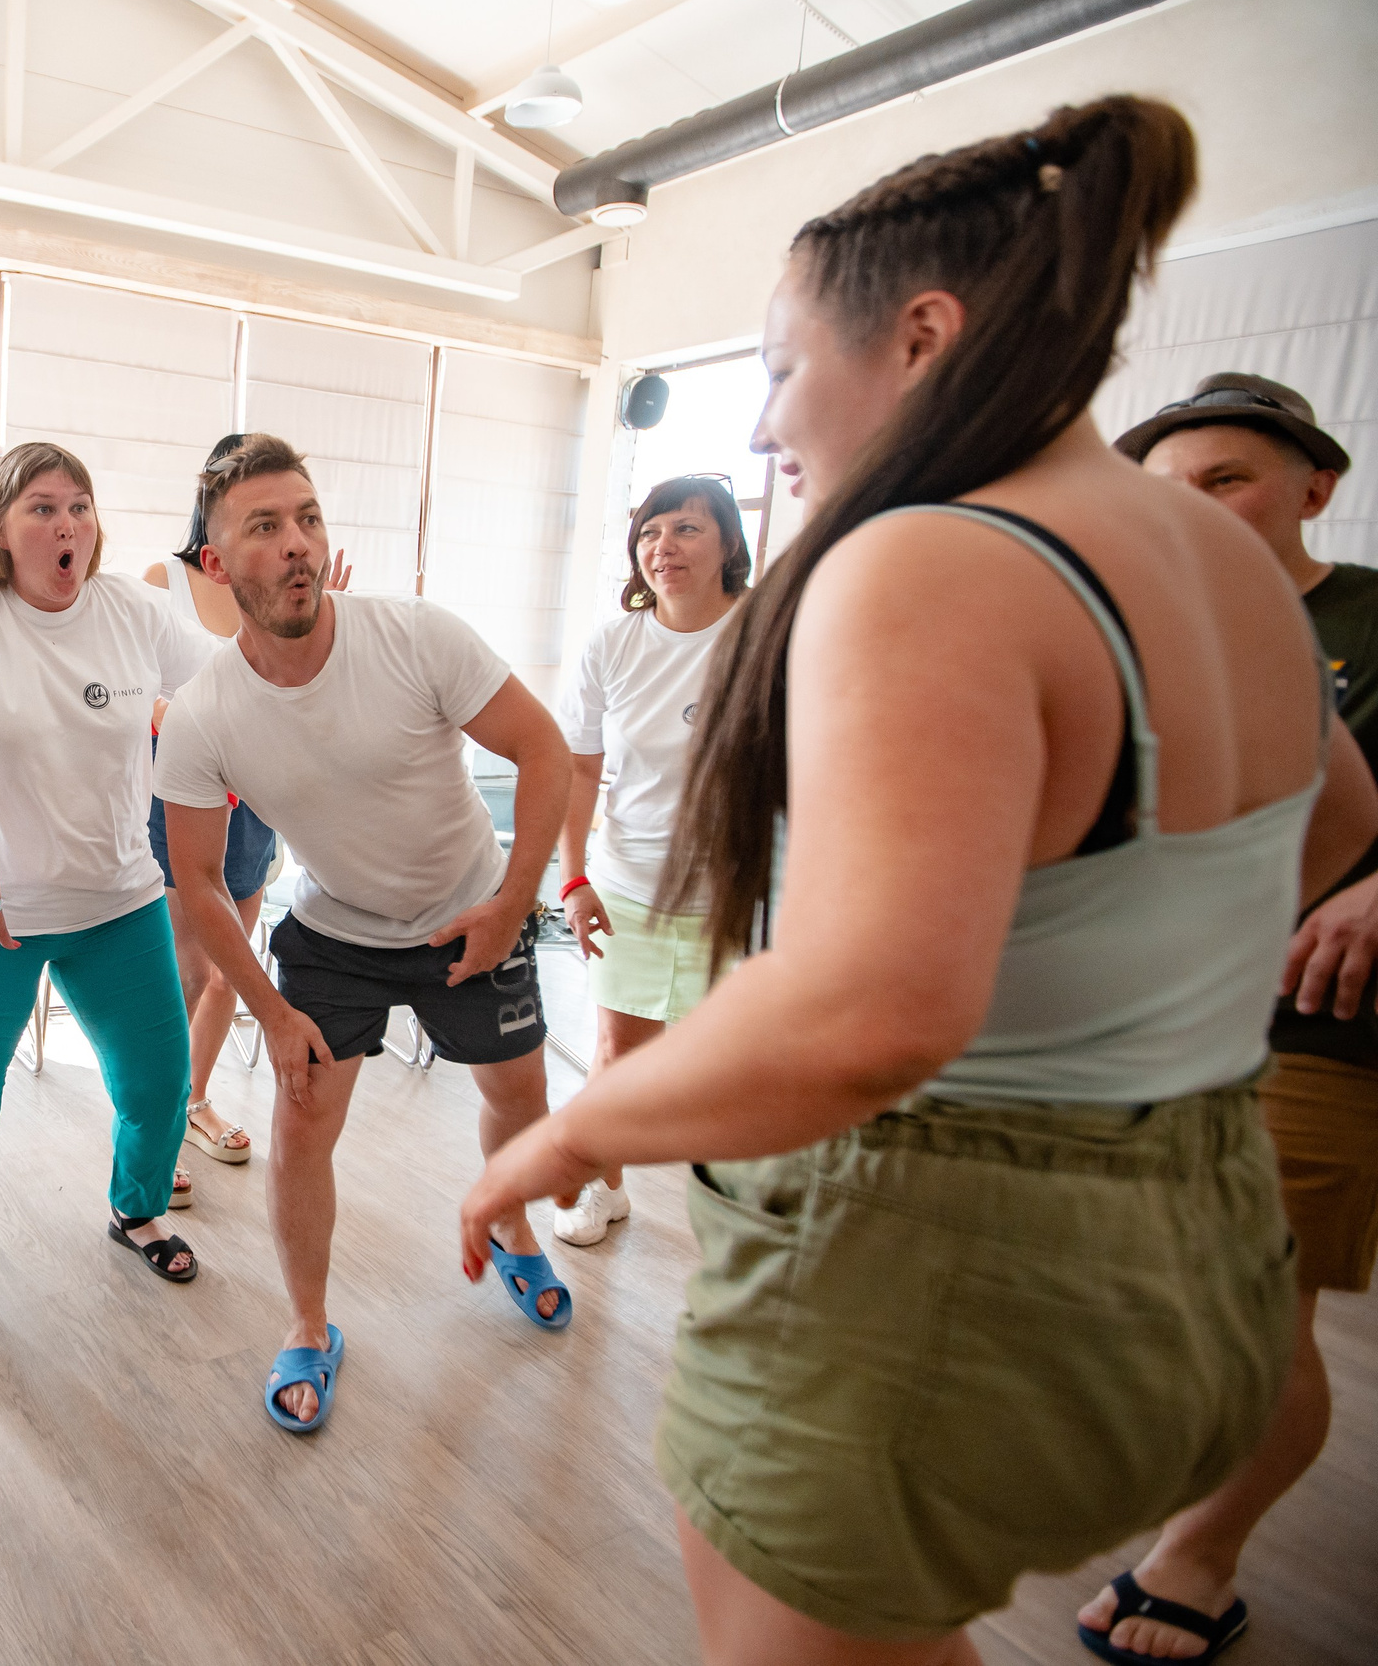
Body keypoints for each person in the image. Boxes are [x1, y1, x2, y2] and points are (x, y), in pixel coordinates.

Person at [458, 97, 1378, 1665]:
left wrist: (568, 1131)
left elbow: (875, 1010)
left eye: (780, 368)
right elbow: (1329, 825)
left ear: (924, 335)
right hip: (1201, 1250)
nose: (762, 428)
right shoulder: (1215, 553)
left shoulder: (928, 558)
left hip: (942, 1273)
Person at [154, 432, 575, 1433]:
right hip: (335, 928)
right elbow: (199, 884)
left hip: (470, 910)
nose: (297, 543)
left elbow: (544, 750)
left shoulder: (416, 636)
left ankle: (511, 1222)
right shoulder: (207, 711)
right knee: (301, 1120)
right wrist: (266, 1011)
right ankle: (307, 1325)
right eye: (264, 526)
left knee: (519, 1099)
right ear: (216, 566)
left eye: (307, 518)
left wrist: (514, 904)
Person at [1070, 375, 1374, 1662]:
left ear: (1314, 487)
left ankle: (1199, 1554)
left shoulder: (1369, 614)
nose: (1185, 511)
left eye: (1225, 481)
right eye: (1163, 490)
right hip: (1149, 1010)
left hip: (1312, 1010)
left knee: (1259, 1302)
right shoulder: (1133, 635)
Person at [0, 441, 215, 1339]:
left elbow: (224, 677)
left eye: (79, 505)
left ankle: (136, 1208)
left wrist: (294, 620)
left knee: (157, 1080)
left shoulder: (131, 610)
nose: (66, 523)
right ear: (0, 527)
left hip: (118, 899)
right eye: (41, 507)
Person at [142, 440, 353, 1176]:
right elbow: (142, 694)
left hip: (256, 799)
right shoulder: (161, 580)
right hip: (185, 798)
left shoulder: (285, 586)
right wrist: (193, 721)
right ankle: (154, 1126)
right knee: (187, 977)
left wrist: (334, 619)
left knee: (230, 974)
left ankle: (191, 1103)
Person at [548, 474, 749, 1245]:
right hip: (628, 881)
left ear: (729, 542)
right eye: (649, 532)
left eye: (687, 529)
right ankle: (605, 1189)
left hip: (734, 891)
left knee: (724, 1073)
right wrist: (572, 878)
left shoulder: (764, 632)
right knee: (618, 1055)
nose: (663, 547)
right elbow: (578, 769)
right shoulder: (614, 643)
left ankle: (733, 1219)